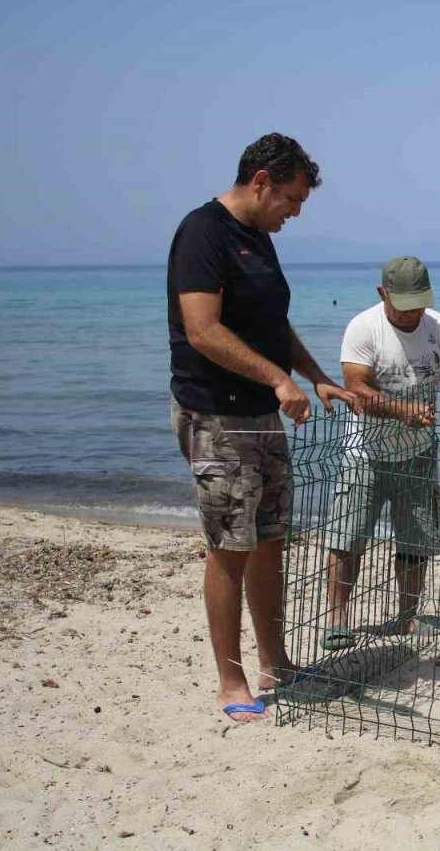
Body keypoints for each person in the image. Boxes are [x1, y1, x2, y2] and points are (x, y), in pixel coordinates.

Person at [167, 133, 357, 723]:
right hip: (216, 413)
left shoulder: (260, 238)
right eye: (292, 199)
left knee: (272, 539)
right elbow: (202, 330)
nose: (295, 213)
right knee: (230, 547)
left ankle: (276, 661)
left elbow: (273, 323)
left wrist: (315, 375)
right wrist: (279, 380)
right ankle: (231, 680)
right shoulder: (203, 232)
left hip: (261, 414)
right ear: (262, 182)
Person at [323, 256, 440, 649]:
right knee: (348, 536)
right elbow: (356, 389)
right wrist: (405, 412)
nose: (412, 314)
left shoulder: (439, 325)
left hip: (420, 453)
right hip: (366, 453)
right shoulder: (364, 326)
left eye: (419, 304)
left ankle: (407, 618)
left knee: (416, 540)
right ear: (382, 294)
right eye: (404, 305)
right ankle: (337, 620)